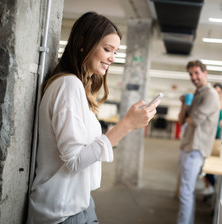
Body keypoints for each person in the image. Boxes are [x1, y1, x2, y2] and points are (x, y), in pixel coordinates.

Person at [27, 12, 160, 224]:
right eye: (107, 49)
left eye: (115, 52)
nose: (112, 58)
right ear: (83, 43)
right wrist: (125, 125)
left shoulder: (75, 86)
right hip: (62, 211)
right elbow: (74, 160)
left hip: (79, 201)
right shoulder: (67, 86)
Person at [177, 60, 220, 224]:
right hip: (188, 146)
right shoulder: (197, 94)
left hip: (196, 148)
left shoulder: (210, 94)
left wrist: (188, 111)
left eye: (196, 73)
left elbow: (193, 121)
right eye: (190, 74)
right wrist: (184, 104)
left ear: (205, 72)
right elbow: (181, 121)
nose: (193, 77)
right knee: (186, 191)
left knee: (186, 191)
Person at [203, 83, 222, 196]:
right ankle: (210, 186)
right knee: (206, 164)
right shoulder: (209, 102)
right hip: (209, 138)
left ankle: (220, 189)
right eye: (215, 92)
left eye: (219, 92)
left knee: (220, 164)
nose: (217, 94)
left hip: (221, 139)